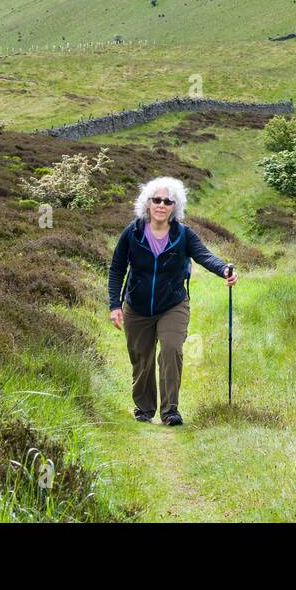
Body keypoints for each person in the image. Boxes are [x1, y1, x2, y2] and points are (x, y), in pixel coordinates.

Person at [107, 177, 237, 425]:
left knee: (171, 349)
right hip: (137, 306)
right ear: (147, 203)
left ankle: (170, 411)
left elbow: (205, 256)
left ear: (174, 206)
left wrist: (225, 271)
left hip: (173, 304)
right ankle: (144, 409)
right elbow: (116, 269)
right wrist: (115, 305)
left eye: (168, 201)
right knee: (141, 359)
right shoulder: (132, 233)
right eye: (156, 200)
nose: (161, 205)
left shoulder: (184, 235)